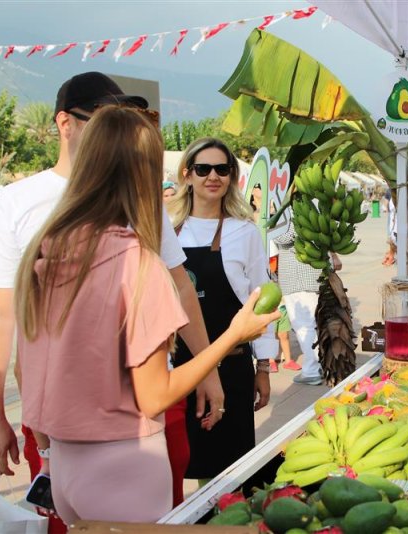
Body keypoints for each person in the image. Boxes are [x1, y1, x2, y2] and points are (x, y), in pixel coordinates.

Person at [0, 72, 221, 519]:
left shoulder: (131, 210)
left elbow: (181, 285)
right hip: (90, 431)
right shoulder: (18, 203)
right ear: (65, 123)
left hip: (110, 423)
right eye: (105, 117)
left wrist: (207, 370)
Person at [15, 106, 277, 524]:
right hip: (124, 463)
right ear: (144, 174)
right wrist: (233, 336)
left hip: (65, 463)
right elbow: (154, 394)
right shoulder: (135, 262)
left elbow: (24, 370)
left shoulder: (48, 250)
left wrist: (47, 454)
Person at [167, 137, 276, 481]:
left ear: (231, 177)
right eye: (203, 169)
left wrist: (263, 366)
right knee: (186, 465)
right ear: (187, 175)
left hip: (232, 368)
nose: (212, 176)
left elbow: (262, 301)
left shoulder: (244, 232)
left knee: (231, 472)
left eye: (222, 169)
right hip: (181, 369)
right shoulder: (168, 234)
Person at [273, 225, 341, 386]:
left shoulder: (293, 209)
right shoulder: (316, 204)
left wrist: (268, 220)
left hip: (298, 277)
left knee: (304, 325)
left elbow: (282, 236)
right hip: (314, 273)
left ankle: (311, 370)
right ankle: (323, 366)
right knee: (315, 323)